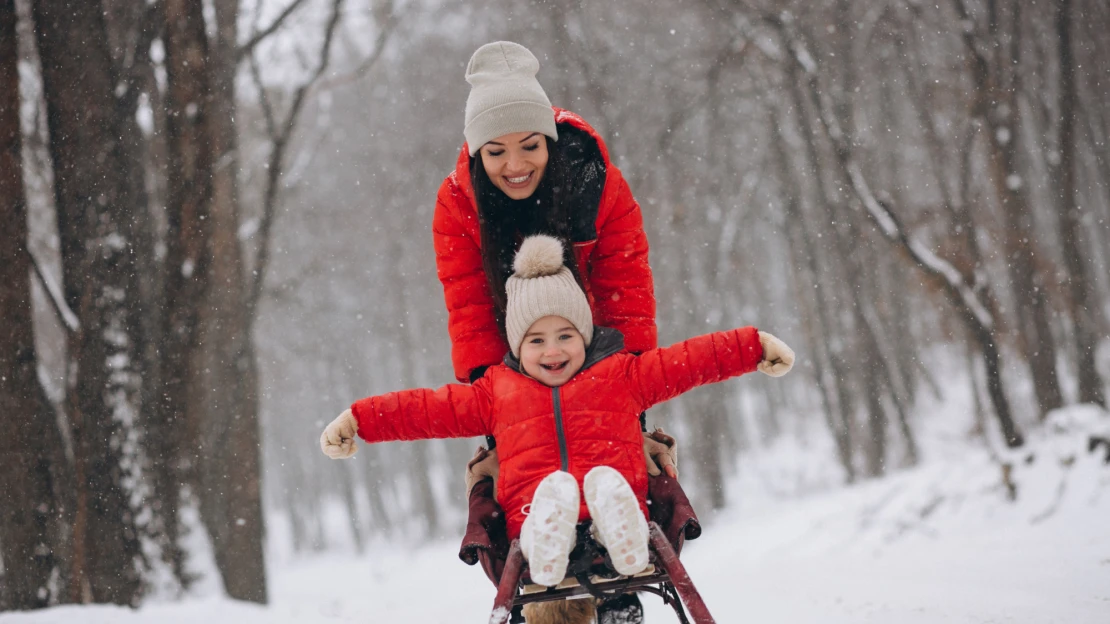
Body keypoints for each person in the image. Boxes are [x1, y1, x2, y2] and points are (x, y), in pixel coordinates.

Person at [320, 236, 796, 593]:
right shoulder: (496, 392)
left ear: (584, 336)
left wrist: (751, 347)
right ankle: (546, 550)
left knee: (612, 494)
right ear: (517, 346)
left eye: (566, 335)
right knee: (547, 506)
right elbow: (426, 410)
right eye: (537, 340)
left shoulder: (621, 375)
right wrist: (361, 421)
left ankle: (625, 540)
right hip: (535, 517)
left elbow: (689, 362)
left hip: (614, 509)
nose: (553, 351)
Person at [432, 40, 673, 621]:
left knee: (609, 458)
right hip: (514, 362)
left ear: (551, 141)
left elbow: (626, 296)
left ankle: (616, 587)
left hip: (596, 351)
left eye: (530, 145)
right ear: (477, 154)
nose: (514, 164)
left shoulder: (596, 185)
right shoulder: (458, 206)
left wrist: (629, 400)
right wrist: (498, 416)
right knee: (525, 469)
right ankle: (536, 580)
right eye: (496, 151)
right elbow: (470, 313)